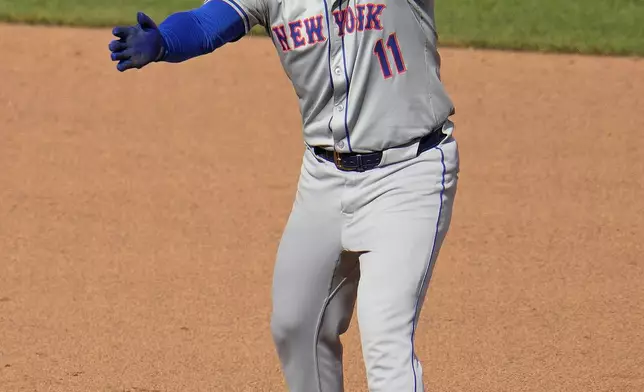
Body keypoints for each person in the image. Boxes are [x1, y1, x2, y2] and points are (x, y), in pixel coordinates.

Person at [109, 0, 459, 390]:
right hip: (323, 179)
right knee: (296, 326)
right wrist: (164, 43)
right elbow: (208, 23)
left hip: (407, 176)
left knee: (385, 341)